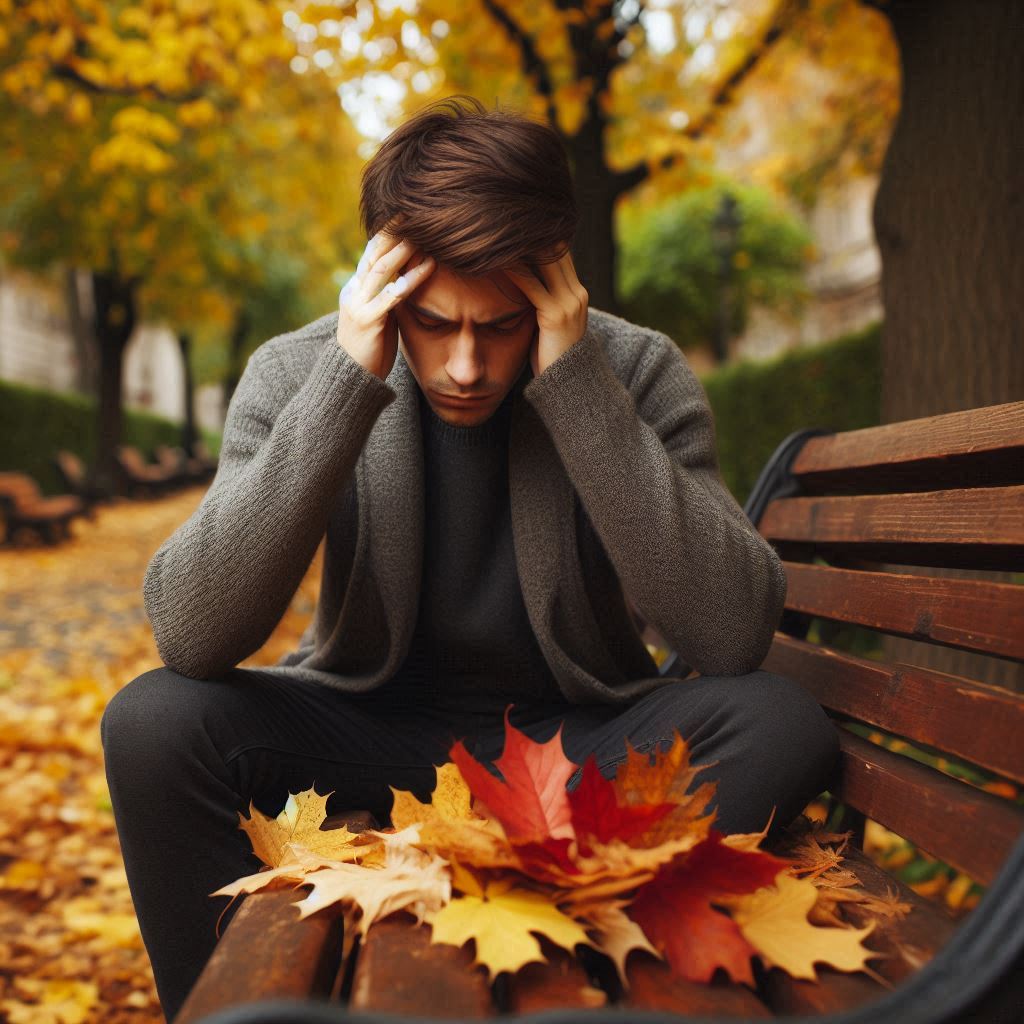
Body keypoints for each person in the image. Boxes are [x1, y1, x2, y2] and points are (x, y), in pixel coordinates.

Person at [100, 95, 839, 1021]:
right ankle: (238, 1012)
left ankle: (557, 963)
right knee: (152, 721)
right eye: (433, 324)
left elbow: (730, 633)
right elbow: (193, 629)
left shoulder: (633, 370)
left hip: (578, 750)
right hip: (364, 736)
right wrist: (347, 385)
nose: (463, 366)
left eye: (499, 326)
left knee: (782, 720)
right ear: (386, 281)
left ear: (557, 287)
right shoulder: (299, 371)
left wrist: (576, 387)